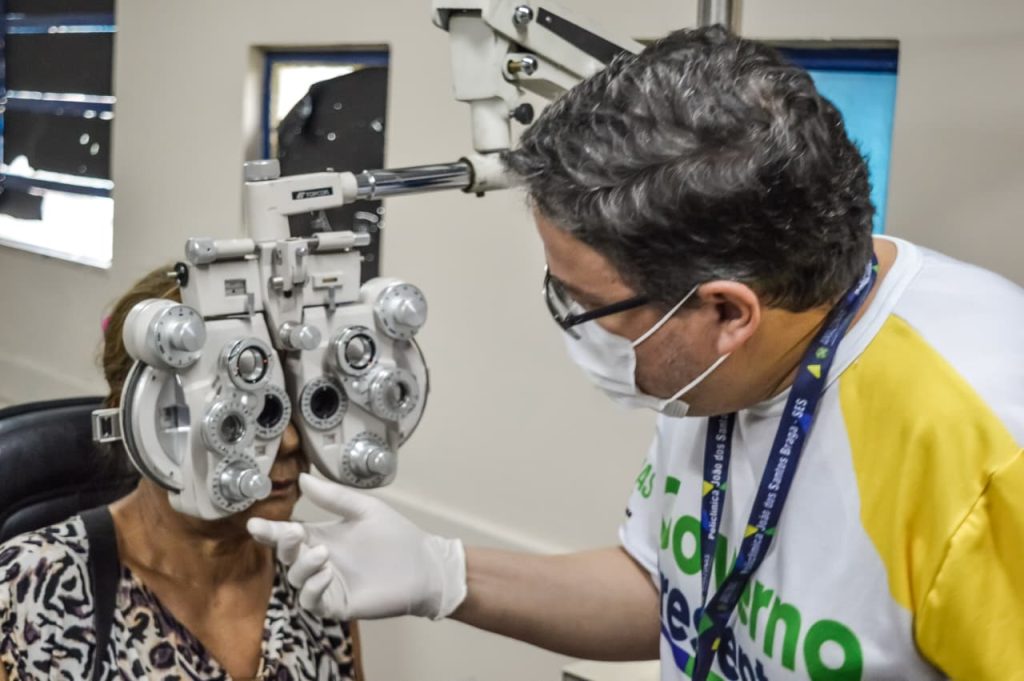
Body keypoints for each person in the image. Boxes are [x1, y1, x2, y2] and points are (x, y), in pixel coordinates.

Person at [248, 26, 1024, 681]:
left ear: (727, 312)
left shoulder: (987, 452)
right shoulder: (731, 361)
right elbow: (672, 591)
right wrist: (443, 572)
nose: (574, 326)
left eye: (587, 303)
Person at [0, 266, 362, 681]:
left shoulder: (317, 578)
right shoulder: (28, 588)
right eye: (243, 415)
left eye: (300, 403)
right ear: (143, 424)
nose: (291, 441)